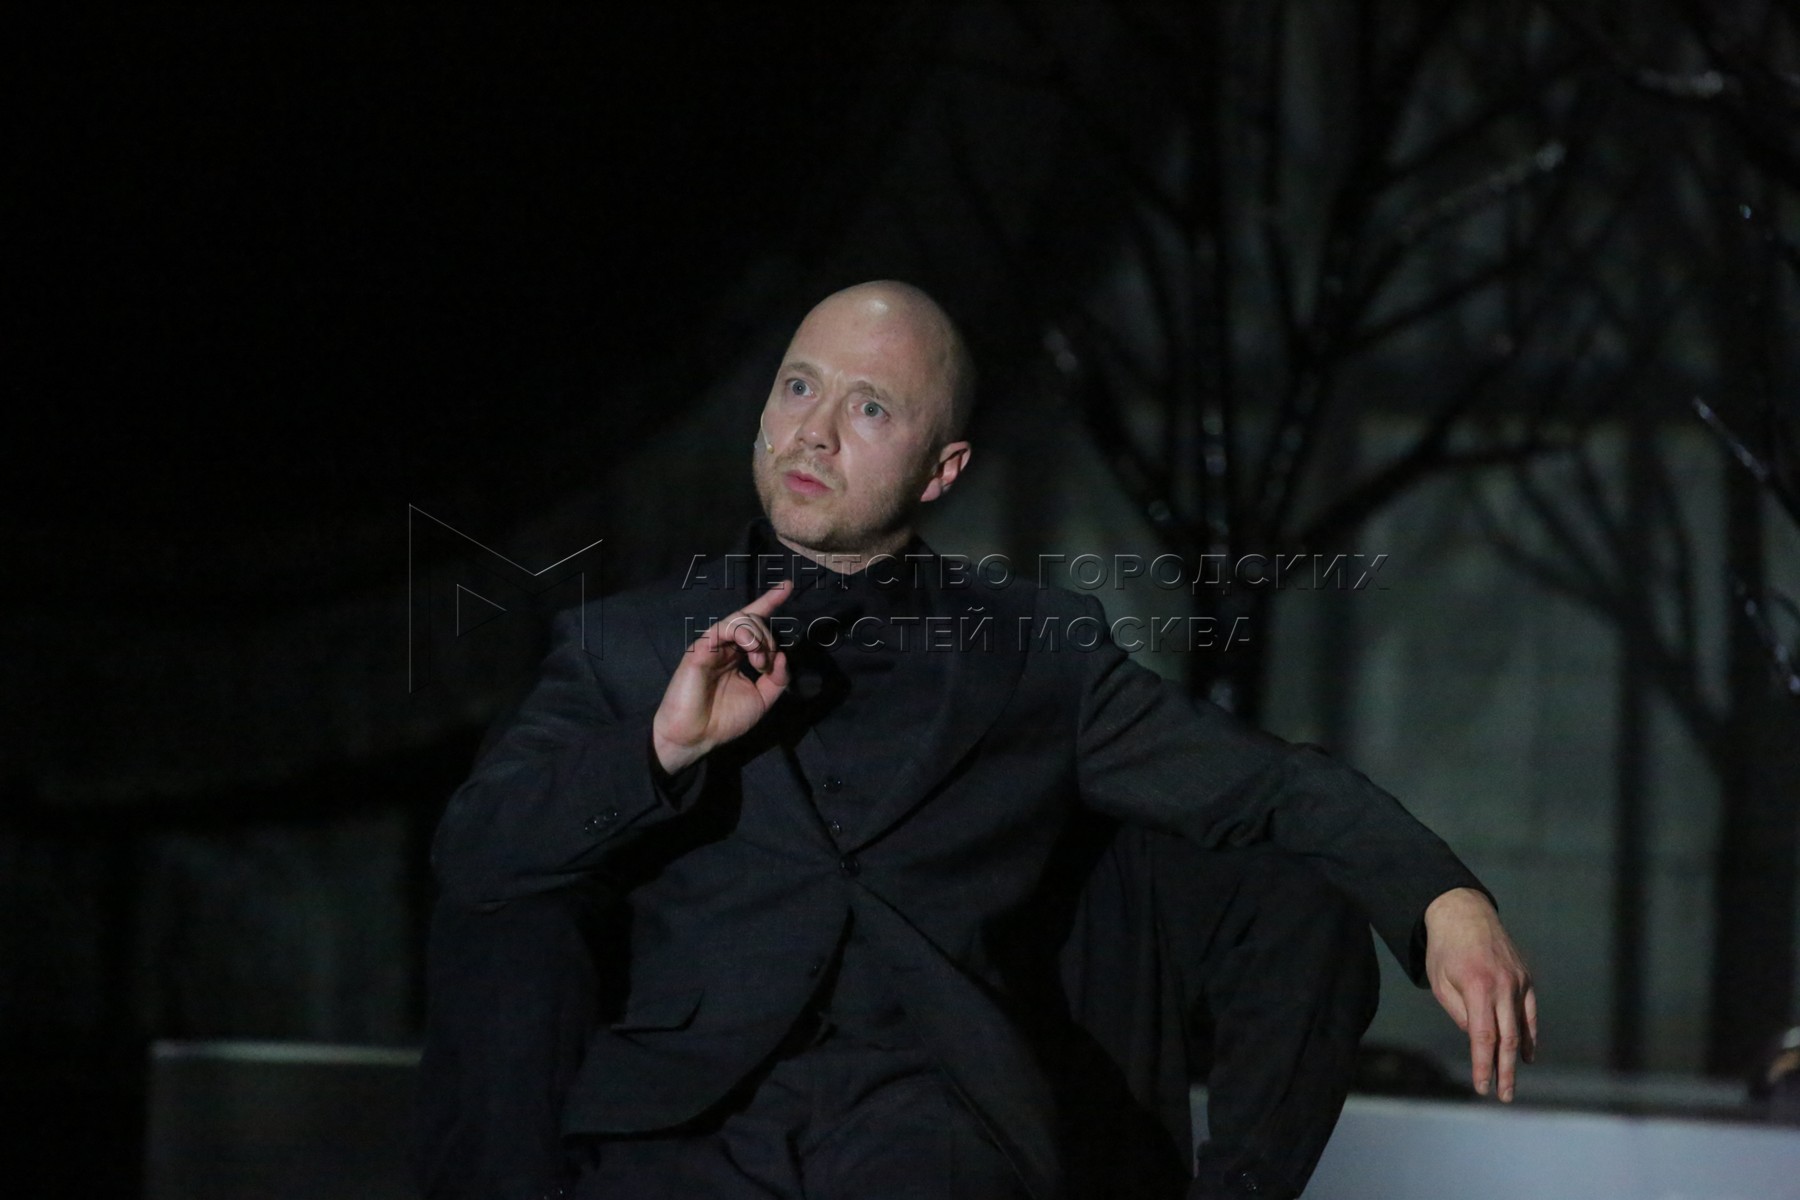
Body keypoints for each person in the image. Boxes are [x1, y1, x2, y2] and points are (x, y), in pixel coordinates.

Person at [413, 281, 1537, 1200]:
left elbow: (1264, 787)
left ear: (941, 469)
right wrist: (660, 748)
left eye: (868, 409)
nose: (813, 430)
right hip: (683, 1125)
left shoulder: (1033, 654)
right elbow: (477, 856)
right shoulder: (626, 642)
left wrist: (1443, 900)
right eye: (799, 386)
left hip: (934, 1122)